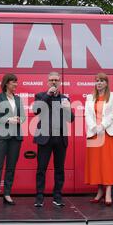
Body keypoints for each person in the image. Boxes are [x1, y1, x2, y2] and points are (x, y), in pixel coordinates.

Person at [33, 72, 74, 207]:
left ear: (60, 82)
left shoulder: (65, 98)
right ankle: (39, 197)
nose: (54, 82)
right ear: (47, 82)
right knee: (41, 169)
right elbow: (36, 110)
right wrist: (48, 95)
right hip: (45, 138)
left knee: (59, 169)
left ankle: (57, 196)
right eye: (51, 80)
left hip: (60, 139)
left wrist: (69, 109)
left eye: (56, 80)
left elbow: (71, 119)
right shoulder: (40, 96)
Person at [0, 74, 26, 207]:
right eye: (13, 82)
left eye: (16, 82)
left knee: (11, 166)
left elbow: (24, 117)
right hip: (1, 137)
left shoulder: (18, 99)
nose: (16, 84)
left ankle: (7, 194)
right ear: (6, 84)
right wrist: (8, 119)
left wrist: (20, 120)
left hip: (16, 137)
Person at [85, 73, 113, 206]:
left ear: (106, 83)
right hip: (94, 133)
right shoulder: (89, 97)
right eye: (97, 81)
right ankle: (99, 191)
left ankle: (108, 193)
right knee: (96, 164)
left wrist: (102, 126)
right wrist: (94, 127)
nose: (99, 83)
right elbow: (87, 114)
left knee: (108, 163)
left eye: (101, 81)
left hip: (108, 133)